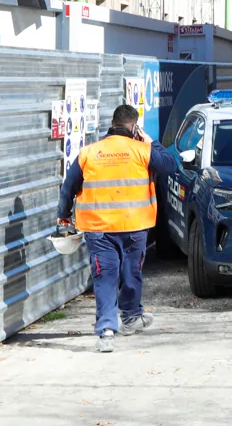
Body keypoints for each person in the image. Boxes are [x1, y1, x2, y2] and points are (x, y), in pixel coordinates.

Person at [58, 104, 177, 353]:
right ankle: (131, 318)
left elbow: (68, 187)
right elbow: (170, 166)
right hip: (135, 227)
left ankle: (107, 332)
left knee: (105, 277)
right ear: (134, 127)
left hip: (98, 229)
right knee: (131, 273)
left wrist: (63, 217)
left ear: (112, 123)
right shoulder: (142, 150)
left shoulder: (89, 152)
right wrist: (152, 142)